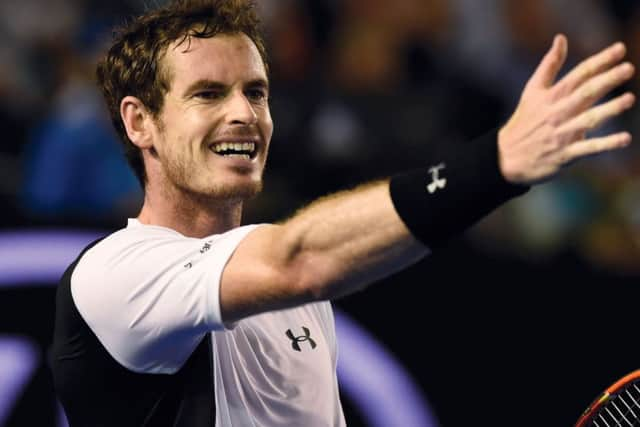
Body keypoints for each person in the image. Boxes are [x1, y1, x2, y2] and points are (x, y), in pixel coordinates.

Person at [49, 0, 636, 426]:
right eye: (207, 93)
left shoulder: (299, 299)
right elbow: (297, 260)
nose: (244, 114)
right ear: (139, 121)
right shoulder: (114, 275)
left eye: (255, 92)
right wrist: (495, 161)